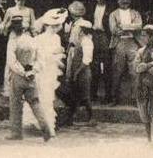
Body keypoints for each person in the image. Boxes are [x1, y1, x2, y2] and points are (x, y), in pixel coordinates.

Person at [6, 14, 53, 142]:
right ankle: (46, 129)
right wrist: (33, 71)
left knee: (15, 105)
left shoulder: (13, 42)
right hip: (31, 76)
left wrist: (22, 72)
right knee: (35, 103)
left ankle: (16, 133)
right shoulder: (33, 41)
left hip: (18, 76)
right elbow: (40, 60)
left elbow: (12, 61)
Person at [108, 0, 143, 104]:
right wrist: (131, 27)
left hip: (132, 43)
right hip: (119, 43)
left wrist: (124, 26)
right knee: (117, 71)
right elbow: (114, 30)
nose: (124, 1)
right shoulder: (113, 14)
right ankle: (114, 98)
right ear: (118, 1)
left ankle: (135, 98)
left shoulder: (135, 13)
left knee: (135, 70)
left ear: (130, 1)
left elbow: (139, 26)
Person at [58, 20, 94, 127]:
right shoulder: (80, 41)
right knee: (75, 95)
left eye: (78, 29)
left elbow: (86, 61)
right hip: (77, 72)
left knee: (85, 95)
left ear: (82, 30)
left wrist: (77, 73)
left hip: (83, 72)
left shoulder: (87, 42)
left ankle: (91, 117)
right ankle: (71, 118)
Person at [89, 0, 114, 103]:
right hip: (94, 36)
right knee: (94, 66)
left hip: (104, 36)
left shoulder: (110, 9)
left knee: (106, 66)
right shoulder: (91, 7)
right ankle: (93, 94)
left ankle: (107, 95)